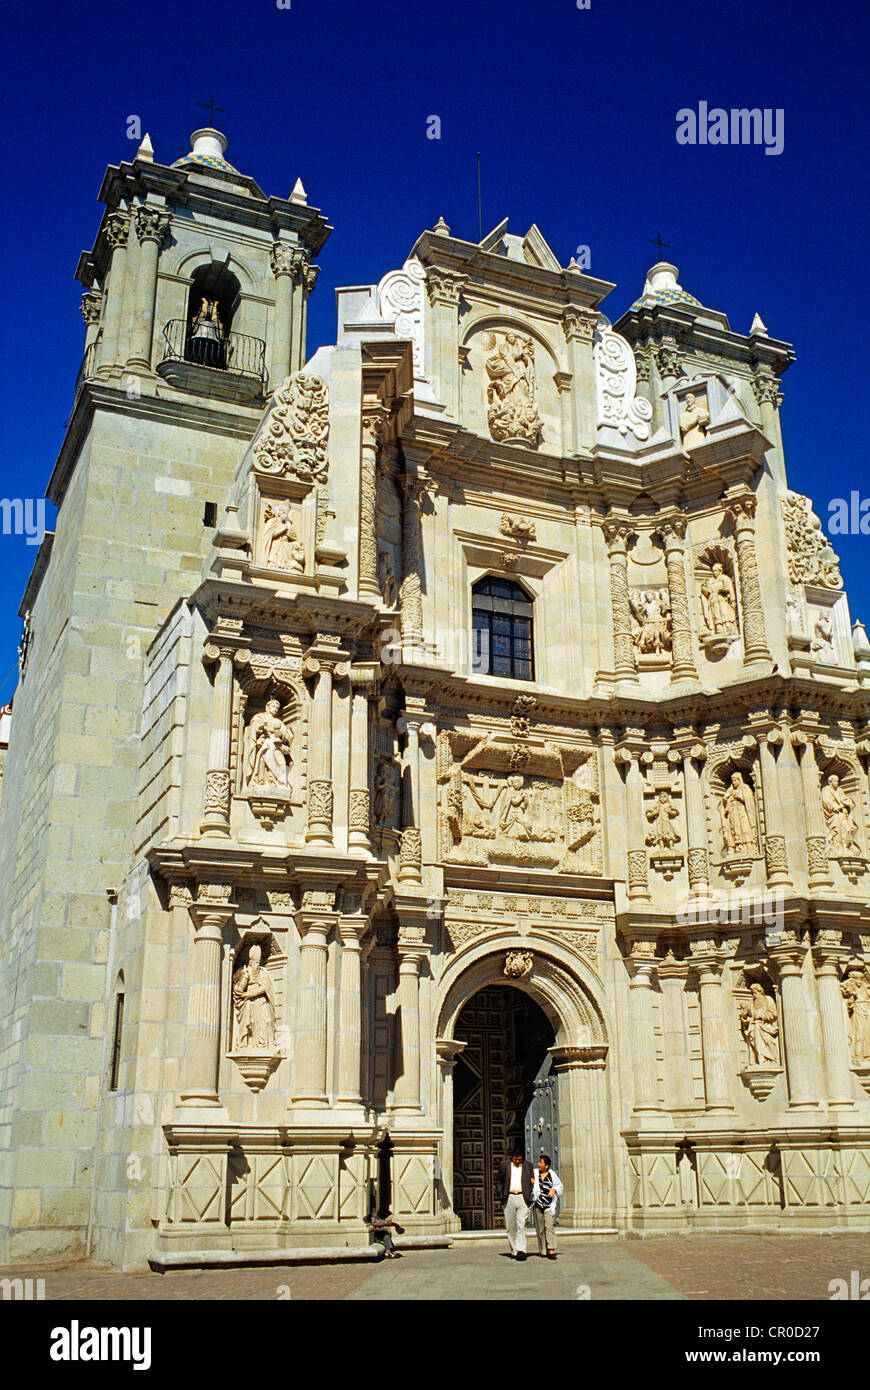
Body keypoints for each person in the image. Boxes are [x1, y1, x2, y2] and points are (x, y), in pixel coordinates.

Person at [497, 1146, 534, 1260]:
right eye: (516, 1159)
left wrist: (529, 1194)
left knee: (521, 1224)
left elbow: (532, 1181)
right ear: (512, 1158)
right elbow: (499, 1181)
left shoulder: (528, 1166)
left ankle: (522, 1250)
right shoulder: (504, 1165)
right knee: (511, 1226)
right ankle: (514, 1250)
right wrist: (501, 1194)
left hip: (523, 1197)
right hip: (509, 1197)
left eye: (520, 1160)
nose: (518, 1161)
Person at [531, 1154, 563, 1259]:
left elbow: (559, 1186)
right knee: (540, 1228)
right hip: (538, 1204)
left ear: (547, 1165)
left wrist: (554, 1190)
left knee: (549, 1226)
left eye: (541, 1162)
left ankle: (551, 1249)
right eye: (539, 1162)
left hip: (548, 1204)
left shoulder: (552, 1174)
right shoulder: (535, 1173)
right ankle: (543, 1250)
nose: (538, 1164)